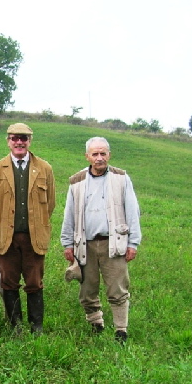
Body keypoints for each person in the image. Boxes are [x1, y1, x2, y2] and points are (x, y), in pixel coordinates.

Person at [60, 136, 141, 343]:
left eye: (103, 153)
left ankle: (121, 330)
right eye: (94, 154)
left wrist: (133, 243)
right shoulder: (76, 181)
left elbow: (132, 211)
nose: (99, 158)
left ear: (109, 155)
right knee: (87, 290)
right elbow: (69, 214)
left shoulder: (121, 178)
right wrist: (67, 243)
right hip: (84, 244)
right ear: (87, 156)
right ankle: (96, 323)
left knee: (117, 288)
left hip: (113, 243)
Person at [0, 123, 55, 334]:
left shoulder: (45, 168)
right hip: (7, 237)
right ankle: (15, 326)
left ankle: (37, 326)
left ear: (29, 141)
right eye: (15, 138)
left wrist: (35, 223)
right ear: (8, 141)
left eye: (23, 138)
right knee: (9, 282)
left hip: (34, 237)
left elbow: (50, 203)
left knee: (34, 281)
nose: (19, 142)